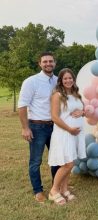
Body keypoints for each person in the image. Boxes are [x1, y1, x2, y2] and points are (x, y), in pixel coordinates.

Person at [18, 52, 60, 203]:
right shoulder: (31, 81)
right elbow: (22, 106)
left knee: (56, 159)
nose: (48, 64)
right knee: (36, 161)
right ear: (40, 64)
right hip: (37, 126)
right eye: (45, 61)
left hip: (55, 126)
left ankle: (56, 187)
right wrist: (25, 128)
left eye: (51, 61)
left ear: (55, 63)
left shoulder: (58, 81)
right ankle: (38, 191)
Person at [48, 68, 86, 205]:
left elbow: (84, 110)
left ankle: (64, 189)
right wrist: (70, 129)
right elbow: (54, 117)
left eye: (70, 78)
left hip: (76, 134)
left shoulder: (76, 94)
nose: (68, 80)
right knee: (67, 164)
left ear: (74, 80)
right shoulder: (57, 95)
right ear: (61, 81)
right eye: (65, 78)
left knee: (71, 161)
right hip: (64, 133)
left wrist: (82, 112)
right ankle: (53, 191)